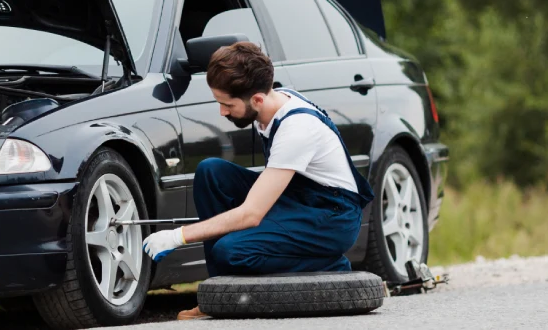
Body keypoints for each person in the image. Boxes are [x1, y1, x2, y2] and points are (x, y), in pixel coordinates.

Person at [141, 41, 374, 320]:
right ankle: (220, 296)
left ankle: (327, 263)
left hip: (331, 218)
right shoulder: (272, 101)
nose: (222, 112)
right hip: (300, 199)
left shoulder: (296, 129)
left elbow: (251, 215)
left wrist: (177, 236)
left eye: (227, 104)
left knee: (232, 252)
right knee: (211, 172)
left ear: (258, 100)